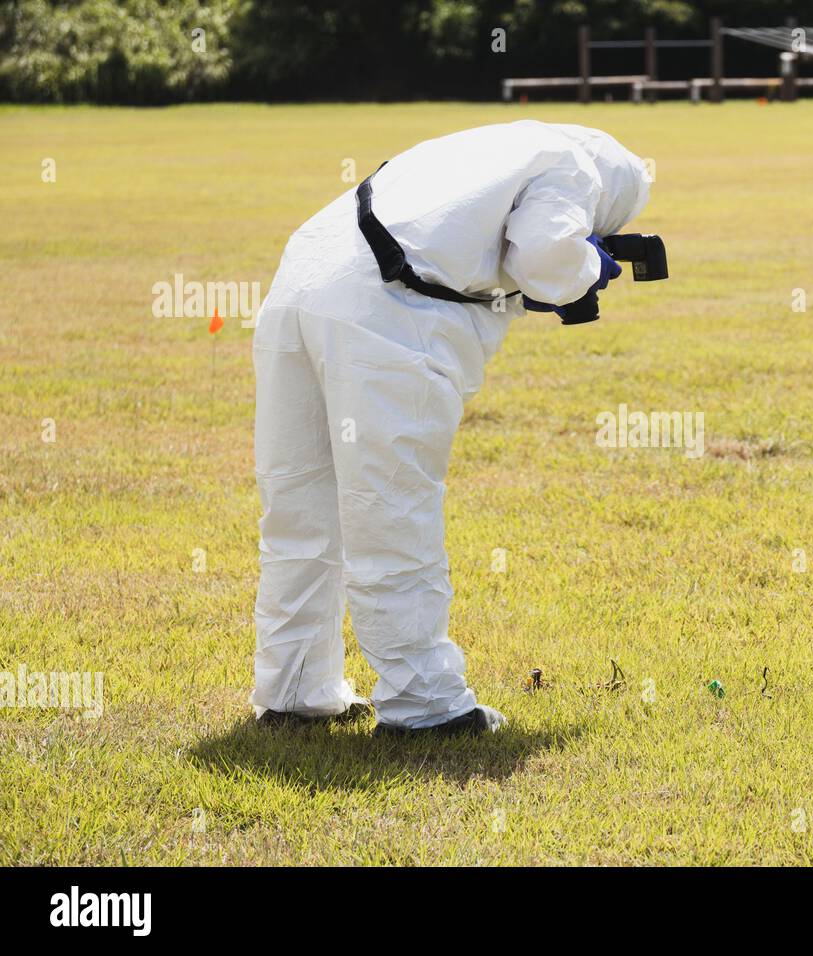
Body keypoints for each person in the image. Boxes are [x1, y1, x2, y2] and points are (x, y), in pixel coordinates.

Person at [249, 121, 652, 735]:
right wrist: (589, 265)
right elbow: (544, 255)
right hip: (385, 314)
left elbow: (468, 245)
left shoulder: (485, 147)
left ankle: (295, 688)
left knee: (302, 503)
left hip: (298, 286)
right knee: (392, 507)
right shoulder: (577, 167)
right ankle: (426, 706)